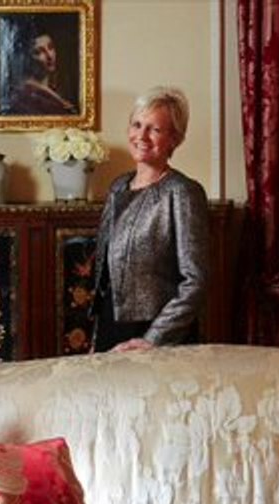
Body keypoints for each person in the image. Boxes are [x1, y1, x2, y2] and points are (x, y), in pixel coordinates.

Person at [91, 87, 210, 352]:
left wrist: (153, 338)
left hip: (157, 335)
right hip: (111, 327)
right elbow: (106, 276)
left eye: (154, 129)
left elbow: (195, 280)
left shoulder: (183, 192)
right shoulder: (118, 187)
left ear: (174, 139)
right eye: (137, 125)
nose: (142, 136)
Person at [5, 30, 75, 115]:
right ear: (27, 58)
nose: (50, 56)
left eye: (50, 47)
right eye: (39, 52)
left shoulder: (57, 86)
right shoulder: (26, 96)